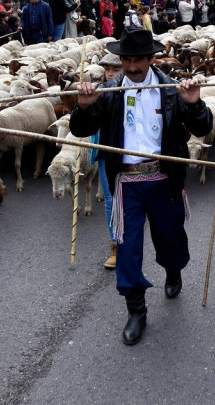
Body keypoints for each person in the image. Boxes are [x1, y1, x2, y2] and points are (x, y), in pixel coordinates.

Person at [69, 29, 213, 346]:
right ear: (121, 61)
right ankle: (136, 311)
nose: (133, 67)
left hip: (164, 179)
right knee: (127, 246)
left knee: (171, 241)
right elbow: (81, 128)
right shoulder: (108, 92)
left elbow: (203, 127)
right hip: (127, 182)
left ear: (151, 59)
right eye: (127, 60)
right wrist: (82, 106)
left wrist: (194, 104)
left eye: (139, 60)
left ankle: (173, 270)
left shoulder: (173, 91)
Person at [96, 52, 124, 269]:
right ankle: (115, 244)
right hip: (106, 151)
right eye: (107, 70)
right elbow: (85, 123)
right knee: (109, 198)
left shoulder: (134, 90)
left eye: (115, 69)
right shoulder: (100, 93)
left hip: (131, 153)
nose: (110, 74)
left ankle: (130, 242)